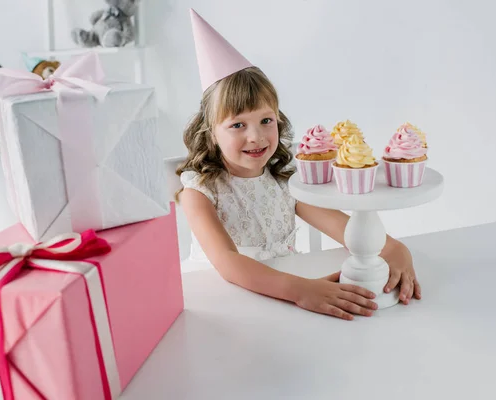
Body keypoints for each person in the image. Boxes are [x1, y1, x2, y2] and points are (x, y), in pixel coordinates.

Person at [177, 10, 421, 321]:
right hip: (222, 310)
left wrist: (394, 248)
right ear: (211, 132)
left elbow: (346, 230)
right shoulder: (199, 192)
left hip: (283, 306)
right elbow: (227, 263)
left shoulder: (284, 183)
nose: (256, 136)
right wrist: (302, 290)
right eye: (238, 125)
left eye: (266, 120)